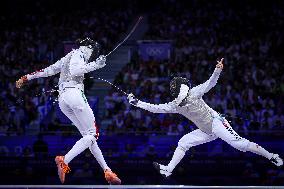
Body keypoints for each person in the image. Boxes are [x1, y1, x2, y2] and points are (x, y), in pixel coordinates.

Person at [127, 58, 283, 178]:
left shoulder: (194, 92)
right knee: (183, 142)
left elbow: (211, 83)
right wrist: (137, 102)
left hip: (217, 123)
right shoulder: (175, 105)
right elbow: (155, 109)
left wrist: (217, 70)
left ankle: (271, 156)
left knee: (239, 144)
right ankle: (168, 170)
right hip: (206, 131)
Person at [16, 38, 121, 184]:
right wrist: (95, 65)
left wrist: (26, 77)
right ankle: (64, 160)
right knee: (93, 134)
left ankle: (106, 170)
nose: (93, 54)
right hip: (74, 94)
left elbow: (48, 70)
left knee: (88, 137)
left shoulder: (68, 56)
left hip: (63, 100)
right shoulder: (79, 54)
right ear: (89, 48)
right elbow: (76, 70)